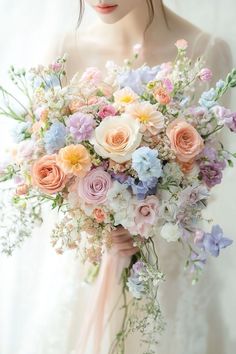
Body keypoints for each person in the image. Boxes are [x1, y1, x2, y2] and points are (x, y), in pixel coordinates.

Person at [0, 1, 233, 354]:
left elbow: (208, 173)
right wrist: (97, 221)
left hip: (165, 266)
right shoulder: (64, 50)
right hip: (86, 267)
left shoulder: (207, 51)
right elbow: (43, 164)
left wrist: (146, 220)